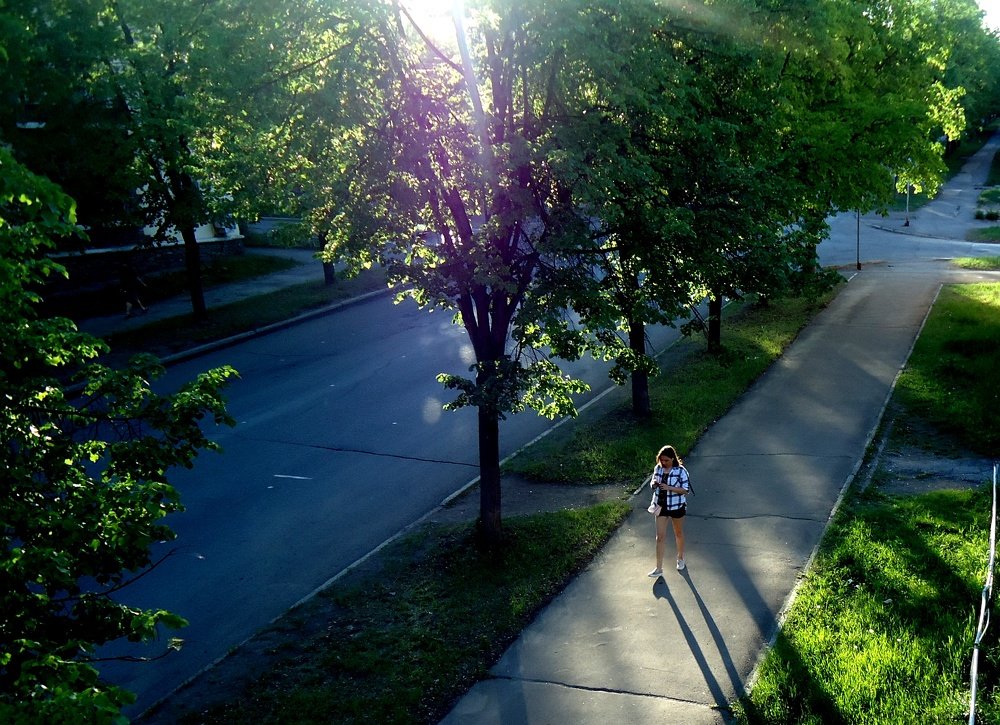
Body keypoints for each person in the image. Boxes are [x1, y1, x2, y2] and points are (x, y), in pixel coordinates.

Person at [647, 444, 690, 577]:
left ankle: (680, 558)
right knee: (660, 537)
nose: (663, 463)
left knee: (678, 532)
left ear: (672, 458)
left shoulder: (681, 471)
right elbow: (653, 480)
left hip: (677, 506)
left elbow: (685, 490)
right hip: (661, 506)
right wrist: (653, 483)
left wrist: (669, 487)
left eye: (666, 460)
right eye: (661, 460)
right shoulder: (658, 468)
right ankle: (658, 568)